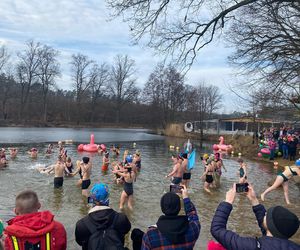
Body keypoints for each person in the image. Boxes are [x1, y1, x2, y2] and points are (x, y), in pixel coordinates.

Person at [211, 183, 300, 250]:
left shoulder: (252, 246)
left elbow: (217, 229)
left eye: (266, 215)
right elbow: (267, 229)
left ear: (271, 226)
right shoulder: (294, 246)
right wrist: (254, 200)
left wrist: (228, 202)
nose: (265, 213)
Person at [141, 185, 200, 249]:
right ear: (179, 208)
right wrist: (185, 198)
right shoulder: (192, 229)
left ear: (162, 208)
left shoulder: (150, 234)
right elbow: (193, 215)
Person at [75, 183, 131, 250]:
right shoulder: (121, 218)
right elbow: (126, 231)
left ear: (91, 199)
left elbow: (80, 242)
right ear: (108, 197)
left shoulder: (81, 224)